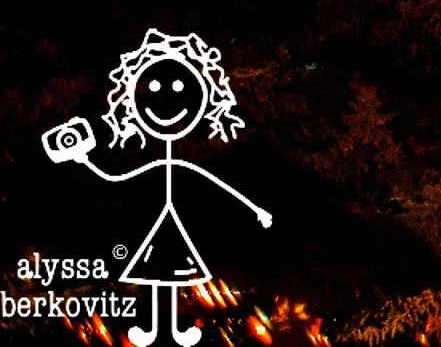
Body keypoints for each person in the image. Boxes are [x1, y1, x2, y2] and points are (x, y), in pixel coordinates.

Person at [42, 30, 273, 347]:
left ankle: (173, 332)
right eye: (151, 88)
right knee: (160, 276)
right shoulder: (159, 163)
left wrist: (255, 209)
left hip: (169, 225)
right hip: (163, 225)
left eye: (180, 88)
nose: (166, 101)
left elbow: (212, 182)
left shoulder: (179, 163)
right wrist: (83, 158)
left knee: (170, 275)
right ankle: (153, 331)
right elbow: (116, 177)